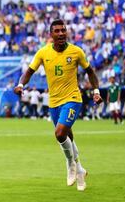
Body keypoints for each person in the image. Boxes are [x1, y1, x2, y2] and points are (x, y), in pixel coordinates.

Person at [14, 19, 103, 191]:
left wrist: (96, 92)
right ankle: (81, 170)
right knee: (67, 135)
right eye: (57, 31)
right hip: (53, 102)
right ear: (51, 34)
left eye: (64, 30)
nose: (61, 33)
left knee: (60, 133)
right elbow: (29, 71)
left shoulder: (76, 51)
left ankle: (70, 164)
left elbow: (90, 72)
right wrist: (20, 85)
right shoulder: (43, 53)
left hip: (72, 99)